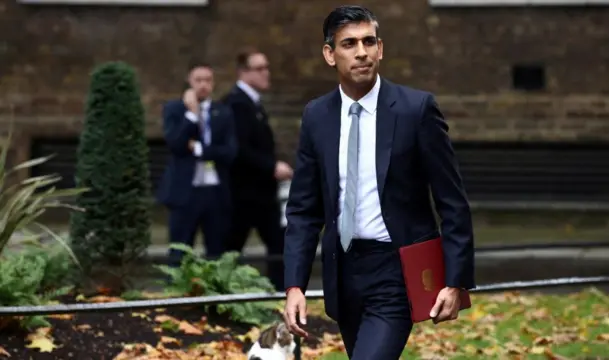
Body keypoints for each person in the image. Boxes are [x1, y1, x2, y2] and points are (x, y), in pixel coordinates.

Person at [282, 5, 475, 359]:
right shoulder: (317, 116)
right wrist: (294, 285)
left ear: (380, 49)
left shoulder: (415, 110)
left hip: (396, 270)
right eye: (349, 44)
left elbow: (452, 200)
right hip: (342, 272)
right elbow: (303, 211)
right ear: (330, 54)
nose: (361, 52)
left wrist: (455, 279)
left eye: (369, 42)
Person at [221, 48, 293, 291]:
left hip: (260, 193)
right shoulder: (237, 103)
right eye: (260, 69)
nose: (266, 73)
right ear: (244, 72)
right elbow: (239, 148)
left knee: (278, 245)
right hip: (244, 193)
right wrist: (272, 166)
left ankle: (279, 294)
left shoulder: (253, 103)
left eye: (266, 68)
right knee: (232, 248)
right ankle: (222, 295)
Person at [156, 62, 238, 267]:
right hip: (186, 191)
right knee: (180, 250)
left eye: (208, 80)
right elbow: (175, 144)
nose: (203, 85)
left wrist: (199, 149)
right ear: (189, 82)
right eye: (198, 80)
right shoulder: (175, 109)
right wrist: (192, 114)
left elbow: (230, 152)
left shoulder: (223, 112)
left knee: (217, 250)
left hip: (214, 192)